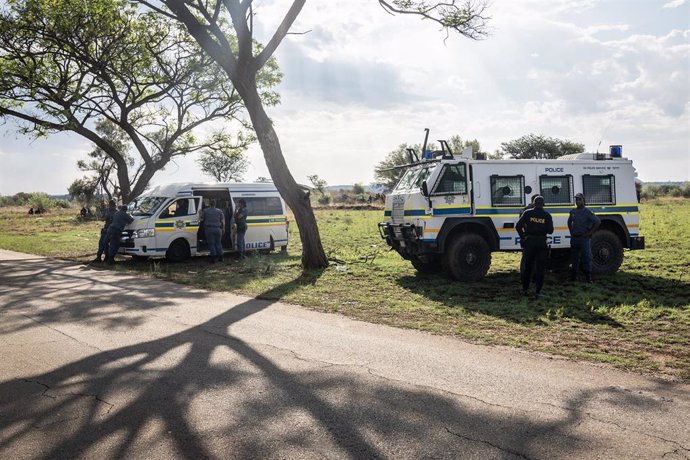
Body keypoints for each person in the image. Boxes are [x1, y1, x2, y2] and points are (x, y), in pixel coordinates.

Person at [515, 195, 553, 298]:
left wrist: (523, 237)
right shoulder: (547, 215)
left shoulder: (527, 213)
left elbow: (518, 226)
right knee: (540, 268)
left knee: (528, 267)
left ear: (534, 203)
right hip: (541, 243)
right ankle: (538, 291)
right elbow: (550, 230)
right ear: (543, 204)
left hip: (529, 242)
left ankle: (525, 290)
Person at [567, 193, 601, 283]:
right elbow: (569, 222)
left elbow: (597, 222)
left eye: (579, 199)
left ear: (583, 201)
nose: (577, 201)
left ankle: (588, 277)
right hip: (574, 238)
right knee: (574, 259)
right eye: (576, 200)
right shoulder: (573, 212)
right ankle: (574, 276)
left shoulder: (587, 212)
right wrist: (571, 231)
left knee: (586, 258)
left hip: (584, 239)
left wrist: (590, 232)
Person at [201, 199, 225, 263]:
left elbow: (202, 219)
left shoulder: (205, 211)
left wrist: (199, 213)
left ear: (209, 204)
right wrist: (223, 228)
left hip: (209, 229)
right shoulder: (219, 211)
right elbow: (222, 221)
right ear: (215, 204)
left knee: (211, 244)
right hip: (218, 229)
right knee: (218, 243)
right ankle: (221, 257)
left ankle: (213, 258)